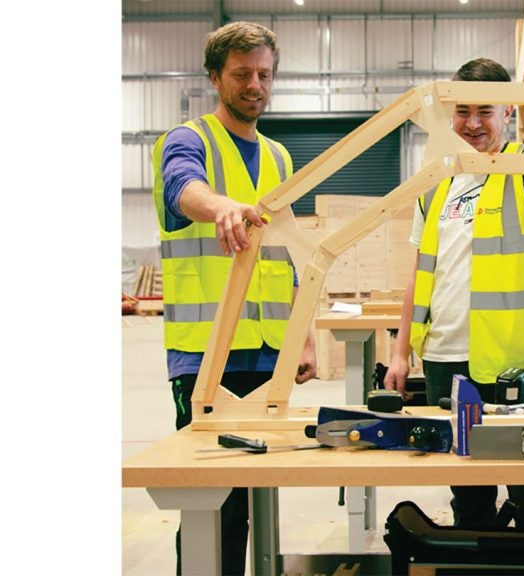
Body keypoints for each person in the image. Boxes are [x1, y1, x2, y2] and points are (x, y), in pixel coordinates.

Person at [383, 57, 524, 530]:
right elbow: (420, 272)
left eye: (485, 111)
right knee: (467, 488)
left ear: (508, 112)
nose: (472, 123)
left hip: (517, 361)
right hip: (445, 356)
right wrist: (399, 352)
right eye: (462, 111)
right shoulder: (437, 180)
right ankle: (475, 551)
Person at [152, 21, 317, 575]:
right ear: (215, 77)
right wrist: (221, 205)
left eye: (264, 74)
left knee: (250, 499)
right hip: (206, 357)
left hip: (268, 355)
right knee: (210, 501)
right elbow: (183, 188)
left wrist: (303, 337)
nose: (255, 86)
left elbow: (288, 255)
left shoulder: (279, 157)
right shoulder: (187, 140)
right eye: (242, 74)